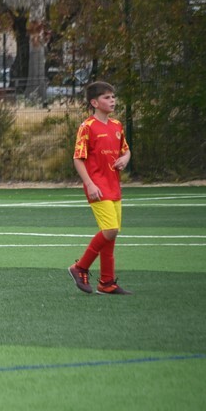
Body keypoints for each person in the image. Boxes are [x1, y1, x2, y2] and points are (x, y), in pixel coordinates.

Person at [68, 81, 132, 295]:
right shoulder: (87, 127)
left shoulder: (117, 125)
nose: (112, 100)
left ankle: (106, 282)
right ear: (94, 103)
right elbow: (78, 158)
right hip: (97, 186)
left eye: (113, 96)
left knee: (111, 234)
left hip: (114, 186)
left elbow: (126, 150)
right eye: (106, 97)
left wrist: (125, 158)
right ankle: (80, 267)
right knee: (110, 230)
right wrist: (89, 184)